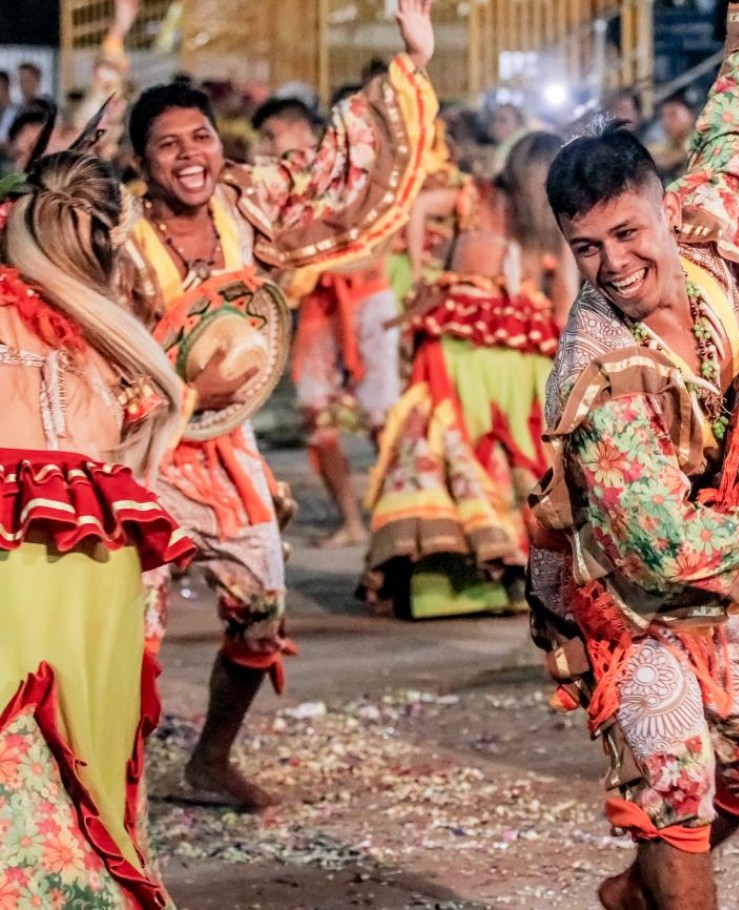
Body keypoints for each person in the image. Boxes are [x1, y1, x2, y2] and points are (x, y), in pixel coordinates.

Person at [526, 1, 739, 905]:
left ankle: (636, 891)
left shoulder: (705, 241)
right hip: (624, 594)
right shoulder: (595, 375)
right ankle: (667, 859)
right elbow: (660, 548)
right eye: (587, 248)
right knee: (677, 786)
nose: (614, 263)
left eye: (627, 234)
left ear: (666, 210)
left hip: (712, 567)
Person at [119, 0, 440, 808]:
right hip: (130, 453)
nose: (190, 156)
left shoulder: (246, 199)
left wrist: (411, 60)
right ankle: (105, 785)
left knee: (261, 604)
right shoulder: (114, 236)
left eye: (200, 137)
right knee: (125, 628)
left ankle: (208, 759)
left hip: (227, 447)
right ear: (141, 161)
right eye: (168, 145)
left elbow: (334, 166)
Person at [0, 147, 193, 908]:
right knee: (86, 745)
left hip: (15, 551)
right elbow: (147, 447)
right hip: (99, 556)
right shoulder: (119, 343)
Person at [362, 131, 571, 618]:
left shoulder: (475, 194)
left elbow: (416, 210)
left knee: (454, 445)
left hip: (463, 341)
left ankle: (452, 584)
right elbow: (563, 289)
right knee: (515, 454)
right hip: (513, 349)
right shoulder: (538, 213)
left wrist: (421, 273)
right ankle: (514, 577)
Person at [253, 95, 404, 549]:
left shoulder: (351, 168)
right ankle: (352, 522)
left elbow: (384, 236)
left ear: (302, 130)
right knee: (317, 417)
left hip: (368, 300)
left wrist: (312, 263)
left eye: (270, 135)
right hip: (319, 311)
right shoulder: (280, 185)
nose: (263, 147)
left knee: (383, 418)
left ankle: (399, 515)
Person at [649, 92, 697, 184]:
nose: (666, 122)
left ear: (691, 114)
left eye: (672, 115)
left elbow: (686, 153)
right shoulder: (668, 143)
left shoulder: (700, 141)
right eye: (664, 116)